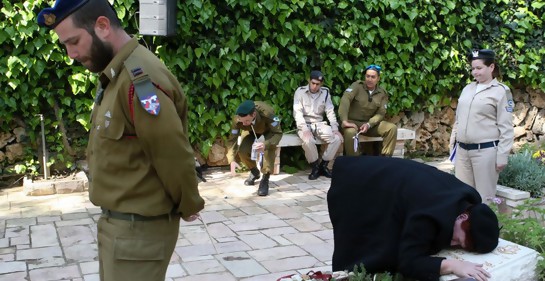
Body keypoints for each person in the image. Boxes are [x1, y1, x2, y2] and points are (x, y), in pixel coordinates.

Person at [37, 1, 205, 281]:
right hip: (124, 230)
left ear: (102, 26)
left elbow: (171, 152)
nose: (71, 54)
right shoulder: (118, 75)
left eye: (74, 41)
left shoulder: (139, 79)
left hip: (138, 235)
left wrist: (189, 204)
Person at [328, 156, 500, 281]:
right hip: (359, 186)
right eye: (459, 240)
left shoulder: (468, 202)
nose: (453, 244)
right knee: (361, 245)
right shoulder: (430, 214)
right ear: (462, 217)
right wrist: (453, 265)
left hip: (389, 179)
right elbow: (408, 261)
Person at [449, 49, 514, 202]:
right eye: (472, 68)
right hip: (463, 152)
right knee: (462, 198)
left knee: (484, 199)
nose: (475, 72)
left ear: (491, 67)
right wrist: (453, 145)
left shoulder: (501, 92)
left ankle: (485, 226)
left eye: (479, 68)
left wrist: (502, 155)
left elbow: (506, 127)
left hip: (485, 153)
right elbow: (458, 120)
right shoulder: (467, 89)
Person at [293, 70, 343, 180]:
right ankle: (315, 167)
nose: (315, 86)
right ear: (309, 81)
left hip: (320, 124)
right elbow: (297, 113)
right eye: (313, 83)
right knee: (308, 140)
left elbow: (330, 111)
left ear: (321, 84)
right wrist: (305, 129)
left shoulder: (325, 92)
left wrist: (335, 128)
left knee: (337, 138)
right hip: (304, 124)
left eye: (318, 84)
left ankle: (323, 165)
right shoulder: (300, 92)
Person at [338, 64, 397, 156]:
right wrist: (344, 121)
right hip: (351, 123)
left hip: (368, 124)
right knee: (351, 133)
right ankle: (353, 163)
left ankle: (386, 160)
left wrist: (369, 124)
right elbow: (345, 100)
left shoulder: (382, 93)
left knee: (391, 128)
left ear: (378, 79)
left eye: (373, 77)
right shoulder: (357, 86)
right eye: (367, 76)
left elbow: (381, 113)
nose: (369, 79)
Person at [227, 100, 282, 196]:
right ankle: (254, 171)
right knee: (243, 150)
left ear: (254, 114)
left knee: (267, 149)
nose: (243, 123)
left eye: (246, 120)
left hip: (268, 130)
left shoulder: (267, 114)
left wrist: (266, 144)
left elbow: (277, 133)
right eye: (242, 121)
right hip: (250, 130)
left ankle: (265, 178)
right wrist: (231, 160)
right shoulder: (238, 119)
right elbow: (232, 139)